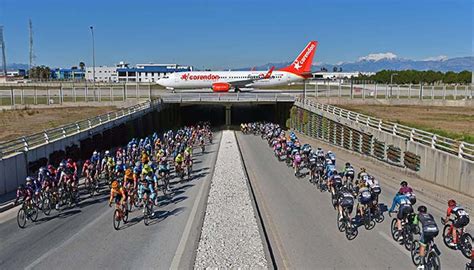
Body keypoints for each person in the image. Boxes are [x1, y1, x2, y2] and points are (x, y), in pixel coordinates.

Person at [412, 205, 439, 270]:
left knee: (422, 246)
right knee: (430, 236)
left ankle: (421, 264)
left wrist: (415, 230)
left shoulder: (418, 215)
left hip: (427, 230)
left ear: (419, 211)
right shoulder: (430, 215)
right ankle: (432, 247)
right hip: (436, 230)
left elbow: (415, 224)